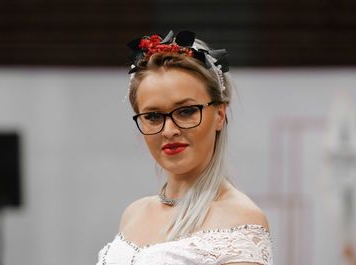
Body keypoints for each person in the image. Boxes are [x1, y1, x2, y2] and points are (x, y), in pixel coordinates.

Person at [96, 30, 273, 265]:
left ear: (220, 114)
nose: (169, 130)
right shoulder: (133, 214)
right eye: (153, 116)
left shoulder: (241, 220)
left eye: (187, 111)